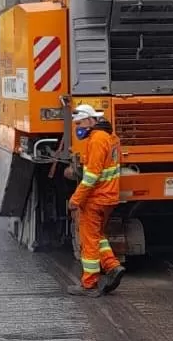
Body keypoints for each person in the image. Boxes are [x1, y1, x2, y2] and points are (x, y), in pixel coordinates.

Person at [64, 104, 126, 297]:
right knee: (98, 236)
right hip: (109, 196)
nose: (78, 127)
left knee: (89, 240)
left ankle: (89, 284)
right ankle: (112, 266)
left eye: (80, 123)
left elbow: (91, 176)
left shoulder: (97, 140)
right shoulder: (110, 137)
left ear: (91, 120)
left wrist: (75, 199)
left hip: (95, 198)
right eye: (75, 124)